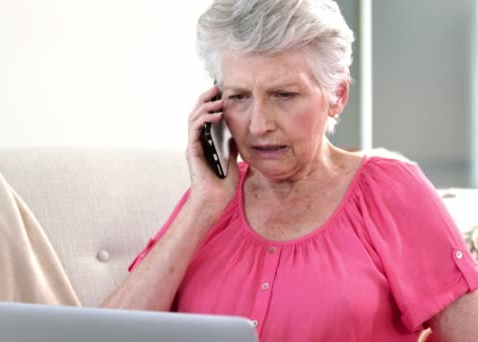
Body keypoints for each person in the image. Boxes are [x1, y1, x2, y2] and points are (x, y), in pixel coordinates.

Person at [102, 0, 478, 340]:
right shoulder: (207, 204)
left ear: (337, 96)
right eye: (239, 97)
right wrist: (203, 203)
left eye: (284, 95)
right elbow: (105, 337)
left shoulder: (391, 192)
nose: (258, 124)